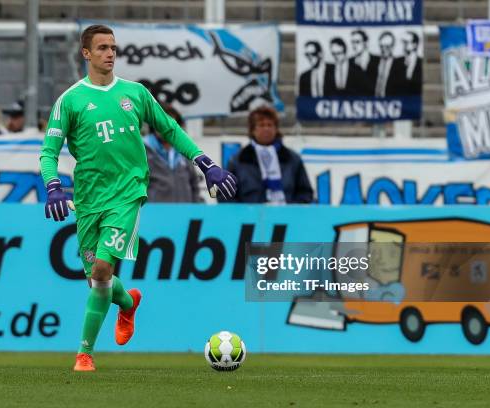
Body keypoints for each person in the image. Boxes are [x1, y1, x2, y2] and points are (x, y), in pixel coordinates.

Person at [39, 24, 236, 372]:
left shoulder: (135, 93)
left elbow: (170, 129)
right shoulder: (70, 100)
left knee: (102, 269)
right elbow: (48, 152)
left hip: (128, 194)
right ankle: (127, 301)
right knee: (97, 281)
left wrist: (206, 164)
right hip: (88, 200)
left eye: (113, 47)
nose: (110, 53)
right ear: (86, 53)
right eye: (102, 48)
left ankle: (84, 355)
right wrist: (53, 186)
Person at [225, 106, 313, 204]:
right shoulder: (238, 161)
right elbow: (225, 195)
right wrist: (243, 214)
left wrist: (291, 211)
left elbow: (305, 193)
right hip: (248, 218)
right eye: (261, 125)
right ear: (253, 130)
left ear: (276, 129)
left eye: (270, 125)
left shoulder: (292, 159)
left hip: (285, 217)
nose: (266, 129)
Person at [143, 103, 203, 203]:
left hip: (184, 215)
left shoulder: (184, 152)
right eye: (161, 123)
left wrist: (195, 210)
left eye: (171, 124)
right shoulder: (142, 150)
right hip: (154, 216)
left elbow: (194, 185)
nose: (166, 128)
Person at [375, 31, 405, 97]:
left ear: (393, 46)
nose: (384, 49)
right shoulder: (374, 62)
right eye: (381, 46)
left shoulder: (399, 65)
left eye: (387, 46)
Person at [349, 29, 379, 96]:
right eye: (352, 42)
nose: (354, 46)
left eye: (357, 42)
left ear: (365, 43)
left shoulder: (378, 60)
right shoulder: (349, 62)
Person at [400, 31, 422, 95]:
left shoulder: (420, 62)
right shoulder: (398, 61)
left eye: (406, 42)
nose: (403, 45)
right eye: (403, 42)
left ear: (414, 45)